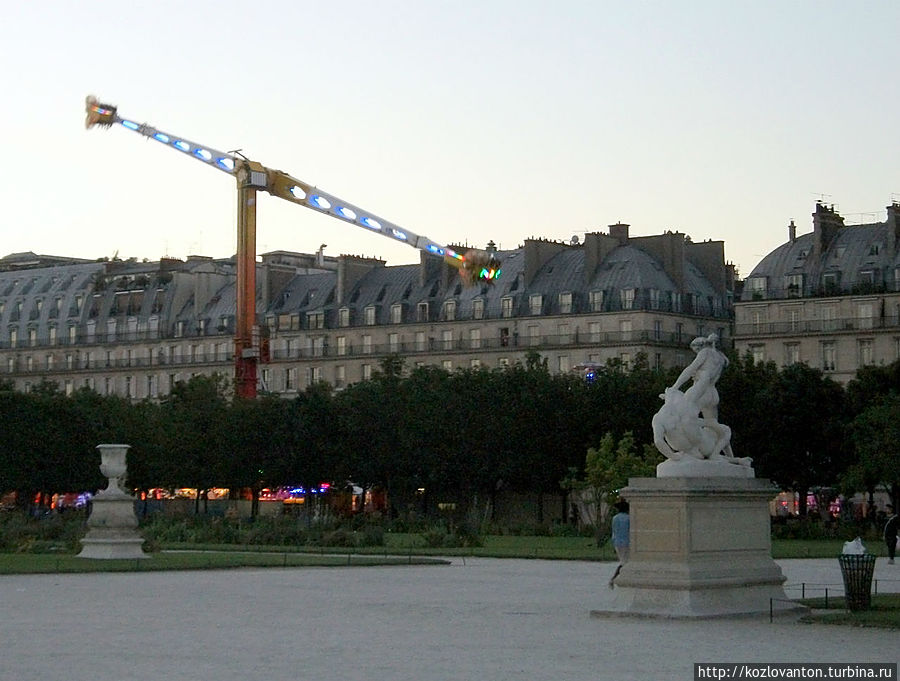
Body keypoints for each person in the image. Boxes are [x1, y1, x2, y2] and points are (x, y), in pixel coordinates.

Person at [608, 500, 630, 588]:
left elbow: (614, 531)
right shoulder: (629, 518)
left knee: (623, 561)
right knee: (624, 562)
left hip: (617, 543)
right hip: (627, 543)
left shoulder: (615, 518)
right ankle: (614, 578)